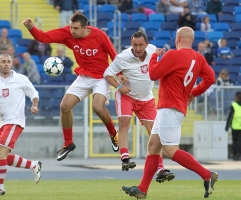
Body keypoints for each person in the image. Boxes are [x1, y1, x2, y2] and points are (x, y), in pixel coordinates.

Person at [122, 27, 218, 199]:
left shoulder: (173, 55)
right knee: (153, 146)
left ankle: (206, 174)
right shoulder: (199, 58)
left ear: (178, 38)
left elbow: (153, 74)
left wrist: (154, 57)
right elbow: (211, 78)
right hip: (173, 107)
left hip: (169, 108)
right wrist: (193, 93)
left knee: (169, 151)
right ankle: (142, 190)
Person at [23, 13, 119, 161]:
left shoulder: (100, 35)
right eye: (71, 27)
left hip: (101, 77)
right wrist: (31, 28)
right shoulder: (67, 33)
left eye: (75, 28)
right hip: (83, 77)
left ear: (85, 28)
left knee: (97, 107)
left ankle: (113, 134)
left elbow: (114, 55)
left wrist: (119, 73)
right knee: (65, 106)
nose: (72, 31)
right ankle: (68, 143)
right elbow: (44, 37)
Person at [104, 31, 175, 182]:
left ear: (147, 44)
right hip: (127, 96)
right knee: (124, 123)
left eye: (140, 45)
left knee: (155, 133)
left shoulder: (152, 51)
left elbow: (158, 66)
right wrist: (118, 87)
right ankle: (125, 159)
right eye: (134, 45)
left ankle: (161, 169)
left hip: (146, 98)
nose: (137, 48)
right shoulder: (122, 57)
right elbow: (107, 74)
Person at [0, 53, 42, 196]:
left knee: (0, 153)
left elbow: (34, 94)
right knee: (1, 156)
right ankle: (33, 165)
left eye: (8, 62)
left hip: (15, 121)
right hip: (3, 123)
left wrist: (34, 105)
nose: (6, 64)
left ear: (12, 63)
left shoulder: (21, 79)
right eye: (3, 62)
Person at [225, 91, 241, 161]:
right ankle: (239, 154)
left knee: (234, 141)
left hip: (235, 127)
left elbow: (230, 116)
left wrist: (227, 127)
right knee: (240, 142)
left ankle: (235, 155)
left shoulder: (234, 105)